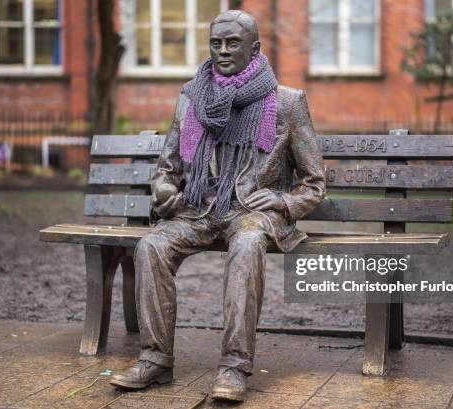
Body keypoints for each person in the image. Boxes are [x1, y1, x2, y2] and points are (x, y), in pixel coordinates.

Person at [110, 9, 325, 402]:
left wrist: (280, 199)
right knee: (151, 245)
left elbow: (314, 184)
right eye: (216, 43)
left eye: (233, 43)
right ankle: (155, 359)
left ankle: (234, 367)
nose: (222, 51)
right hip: (199, 209)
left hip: (251, 212)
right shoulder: (194, 98)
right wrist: (164, 190)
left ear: (254, 48)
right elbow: (167, 168)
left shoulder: (286, 103)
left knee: (245, 245)